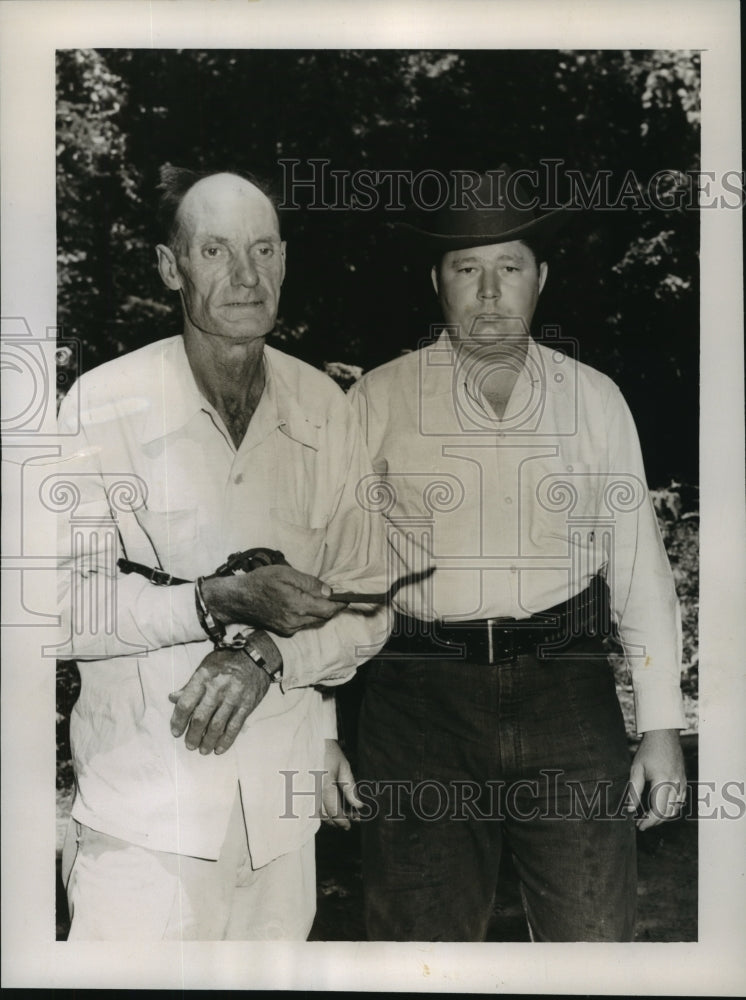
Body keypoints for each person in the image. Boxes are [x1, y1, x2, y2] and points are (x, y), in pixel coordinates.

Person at [348, 167, 687, 942]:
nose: (491, 293)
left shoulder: (592, 398)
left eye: (510, 268)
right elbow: (340, 580)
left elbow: (637, 569)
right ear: (437, 281)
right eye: (468, 269)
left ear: (543, 278)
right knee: (417, 953)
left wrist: (662, 727)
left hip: (567, 691)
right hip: (418, 702)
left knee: (592, 944)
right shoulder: (377, 400)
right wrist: (320, 730)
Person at [56, 166, 388, 940]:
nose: (245, 276)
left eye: (263, 251)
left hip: (281, 817)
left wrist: (270, 654)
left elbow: (370, 603)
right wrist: (212, 600)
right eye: (215, 251)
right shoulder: (101, 405)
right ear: (171, 268)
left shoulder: (325, 409)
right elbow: (59, 613)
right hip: (145, 818)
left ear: (284, 261)